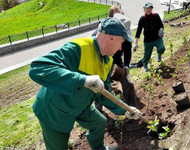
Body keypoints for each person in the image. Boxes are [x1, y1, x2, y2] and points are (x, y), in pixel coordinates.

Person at [28, 17, 141, 150]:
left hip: (80, 104)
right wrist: (83, 80)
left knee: (99, 122)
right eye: (121, 42)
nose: (121, 47)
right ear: (111, 38)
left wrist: (126, 110)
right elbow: (38, 67)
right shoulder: (79, 48)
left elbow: (104, 93)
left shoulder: (108, 62)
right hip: (54, 109)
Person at [132, 2, 165, 72]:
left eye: (150, 8)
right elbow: (138, 31)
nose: (148, 10)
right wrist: (135, 43)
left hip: (157, 38)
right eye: (147, 8)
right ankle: (145, 65)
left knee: (161, 48)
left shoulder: (156, 16)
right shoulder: (142, 19)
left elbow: (161, 25)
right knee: (147, 55)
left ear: (152, 9)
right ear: (144, 9)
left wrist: (161, 30)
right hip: (148, 41)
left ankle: (159, 54)